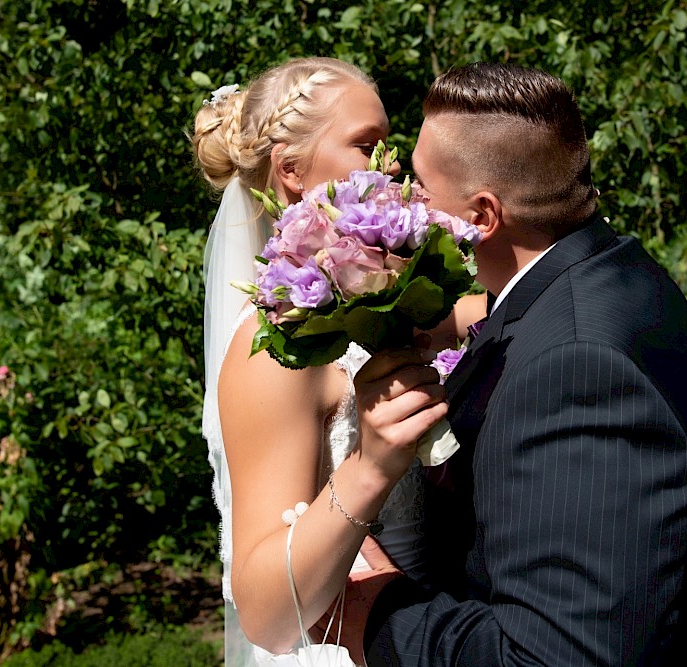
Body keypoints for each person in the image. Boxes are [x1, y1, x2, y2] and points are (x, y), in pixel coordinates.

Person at [337, 63, 687, 666]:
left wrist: (377, 614)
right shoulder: (609, 269)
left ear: (483, 216)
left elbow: (561, 657)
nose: (409, 200)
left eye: (423, 189)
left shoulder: (578, 370)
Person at [191, 57, 478, 666]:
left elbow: (507, 304)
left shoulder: (397, 308)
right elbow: (267, 616)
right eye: (366, 145)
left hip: (432, 633)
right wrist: (371, 465)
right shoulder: (274, 350)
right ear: (290, 171)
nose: (391, 165)